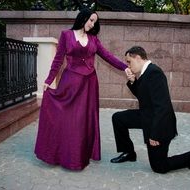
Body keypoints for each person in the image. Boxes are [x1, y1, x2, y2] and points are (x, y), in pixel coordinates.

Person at [34, 8, 131, 170]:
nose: (92, 24)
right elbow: (58, 59)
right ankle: (60, 153)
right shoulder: (66, 35)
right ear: (83, 18)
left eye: (95, 22)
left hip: (89, 85)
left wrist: (124, 67)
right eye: (91, 20)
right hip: (70, 82)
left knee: (81, 120)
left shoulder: (94, 39)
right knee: (66, 117)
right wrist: (49, 80)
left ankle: (78, 156)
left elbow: (107, 55)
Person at [110, 46, 190, 173]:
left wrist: (155, 134)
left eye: (129, 61)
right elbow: (143, 97)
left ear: (138, 58)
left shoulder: (154, 73)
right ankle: (129, 153)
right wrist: (133, 82)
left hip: (161, 124)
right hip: (147, 116)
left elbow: (163, 107)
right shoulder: (145, 73)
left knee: (159, 167)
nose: (128, 66)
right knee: (118, 118)